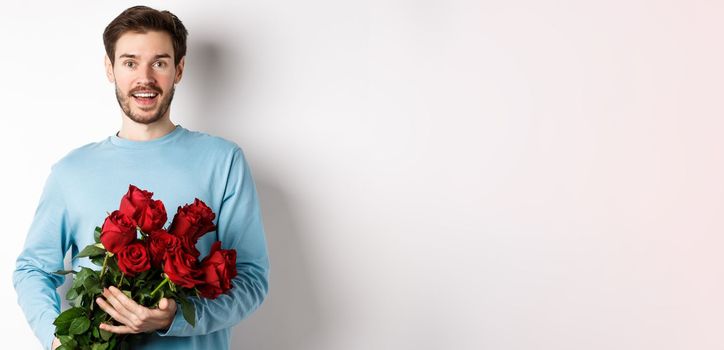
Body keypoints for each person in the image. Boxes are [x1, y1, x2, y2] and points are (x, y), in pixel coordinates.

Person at [12, 5, 270, 350]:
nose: (144, 78)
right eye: (130, 62)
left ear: (178, 70)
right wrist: (58, 339)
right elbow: (32, 269)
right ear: (110, 68)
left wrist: (174, 317)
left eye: (159, 63)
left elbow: (251, 280)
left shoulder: (223, 161)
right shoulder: (70, 172)